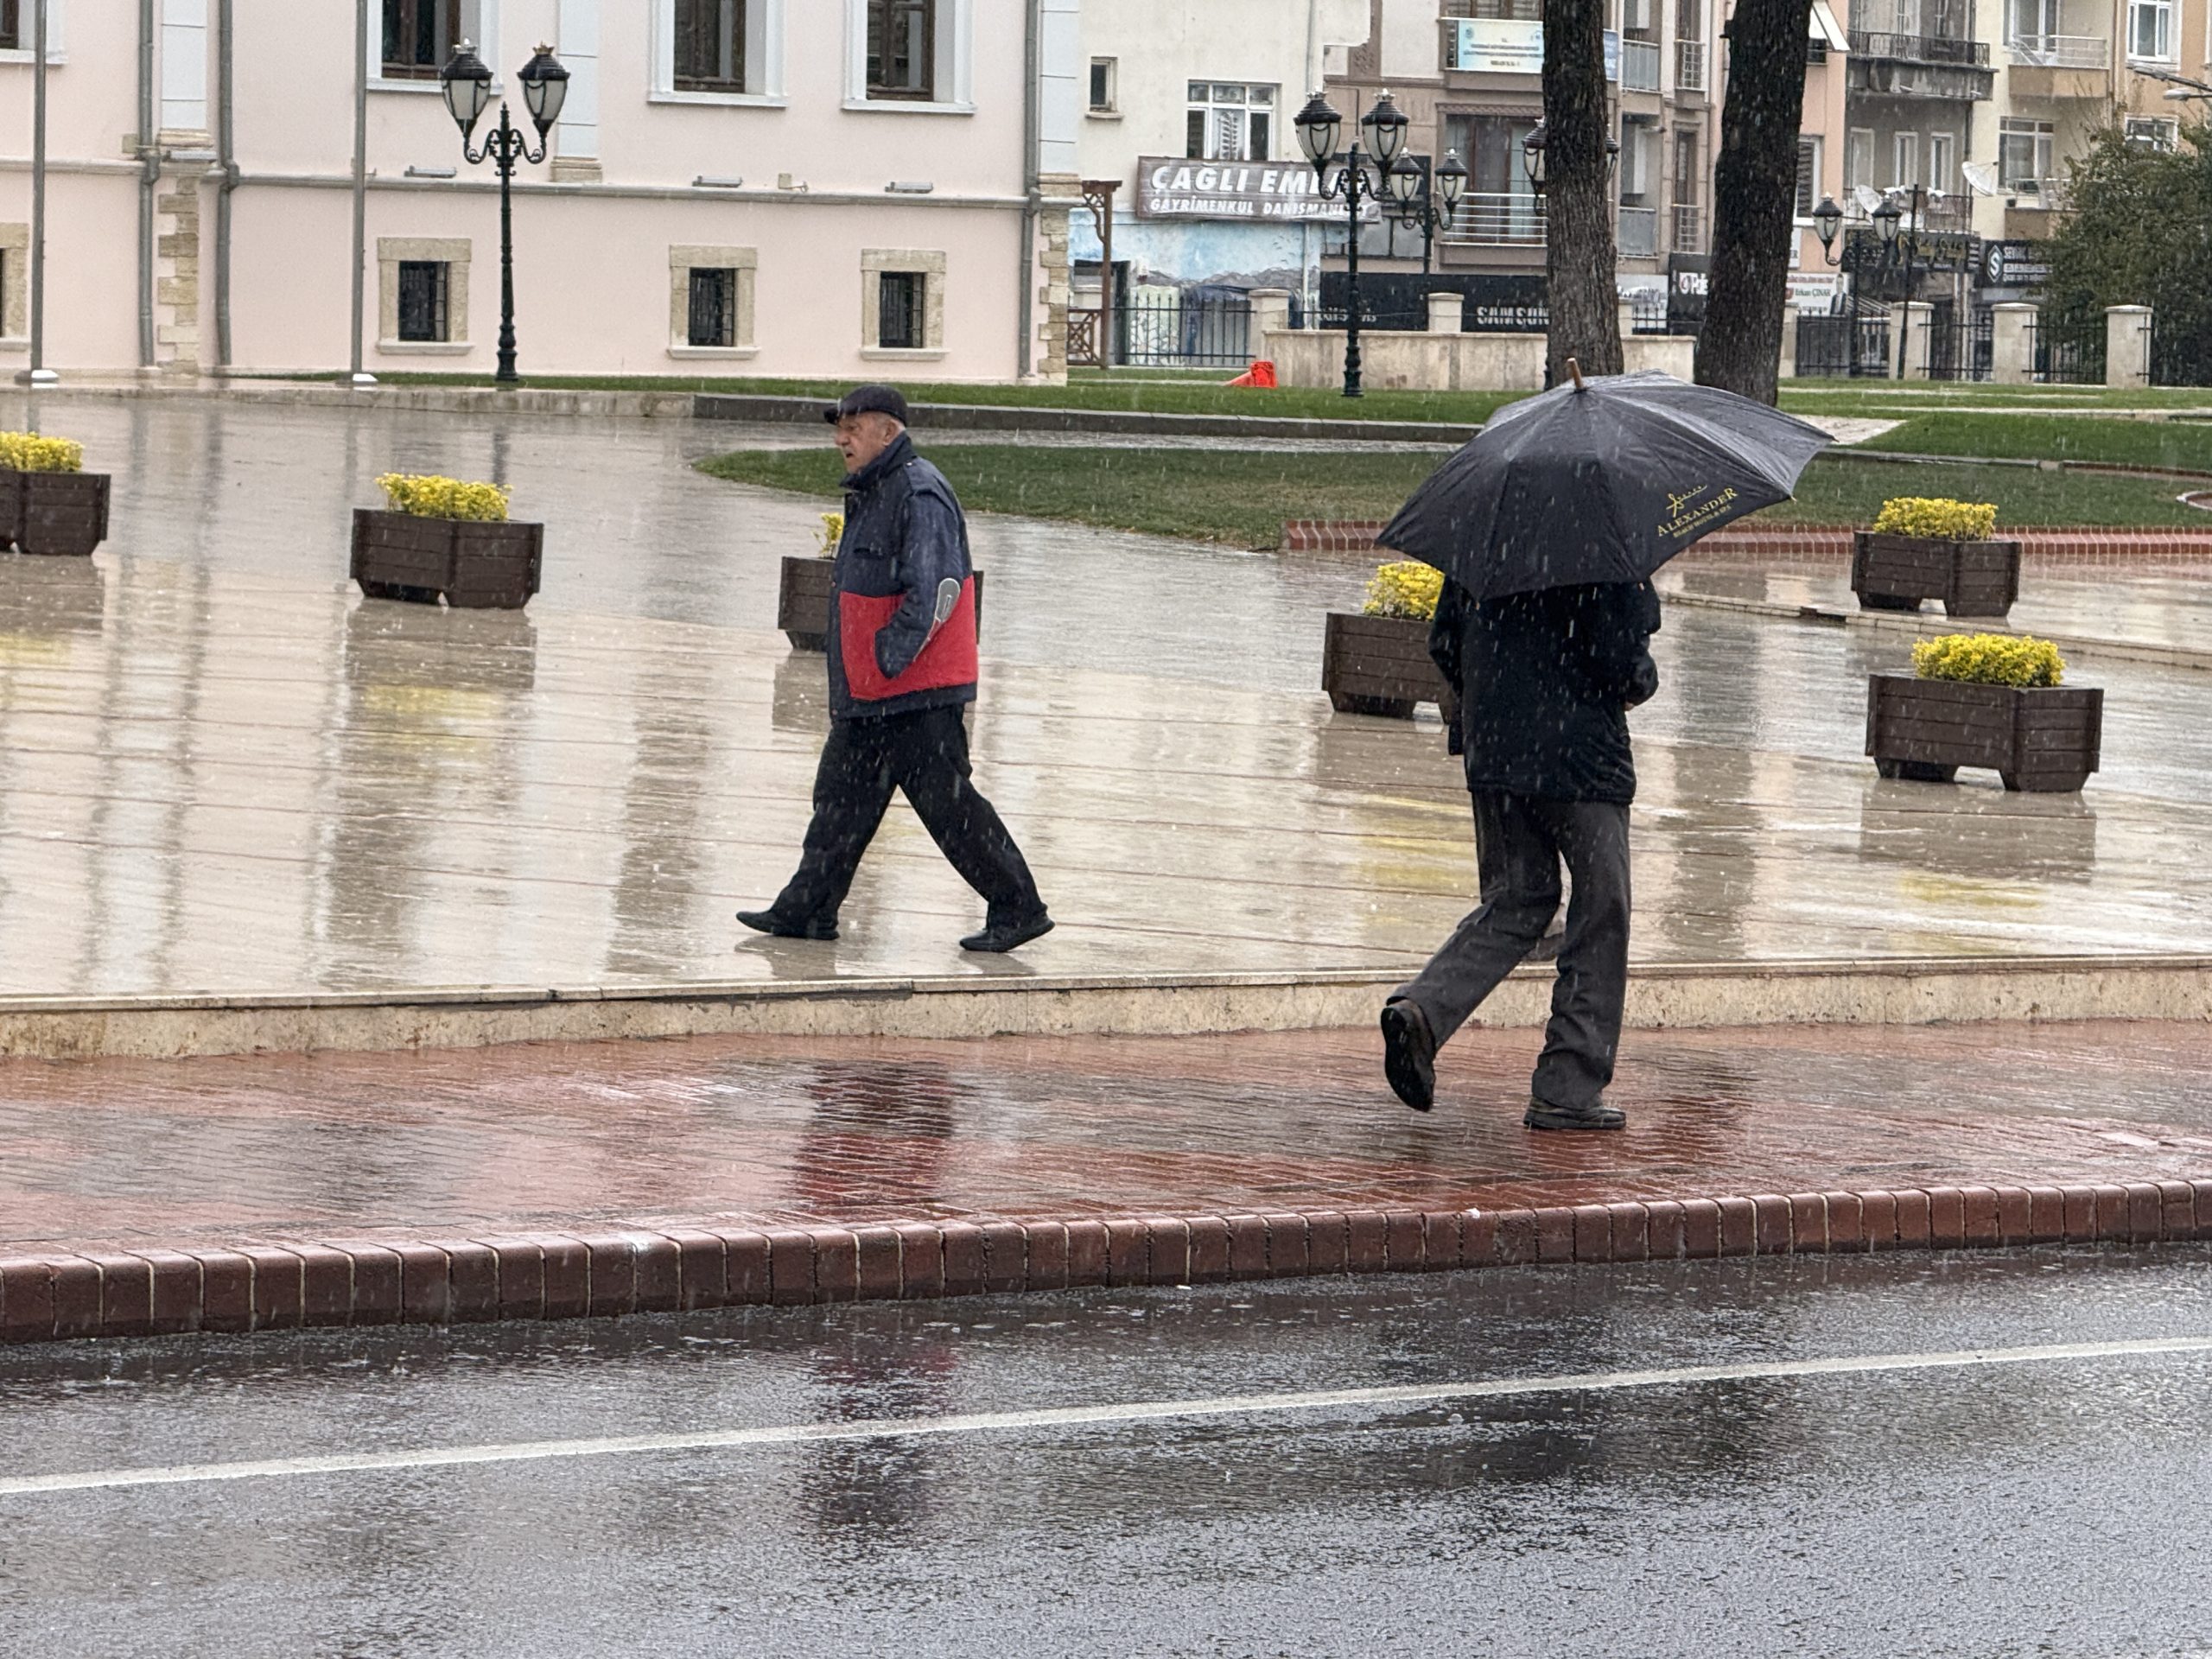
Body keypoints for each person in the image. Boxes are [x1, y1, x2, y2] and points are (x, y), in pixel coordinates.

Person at [739, 385, 1052, 955]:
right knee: (840, 797)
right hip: (873, 692)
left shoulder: (918, 490)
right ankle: (807, 910)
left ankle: (1019, 907)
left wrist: (889, 653)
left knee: (948, 806)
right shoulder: (875, 489)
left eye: (852, 429)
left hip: (916, 692)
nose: (840, 439)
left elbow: (939, 587)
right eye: (839, 428)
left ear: (888, 433)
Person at [1380, 577, 1662, 1130]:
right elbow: (1621, 660)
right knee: (1603, 907)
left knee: (1517, 900)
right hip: (1582, 758)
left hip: (1496, 752)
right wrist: (1641, 677)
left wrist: (1498, 702)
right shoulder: (1605, 547)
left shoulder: (1487, 534)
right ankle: (1568, 1087)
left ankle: (1423, 1010)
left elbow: (1443, 642)